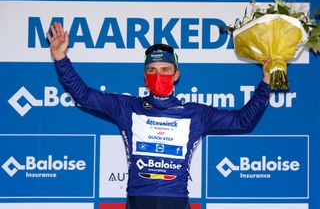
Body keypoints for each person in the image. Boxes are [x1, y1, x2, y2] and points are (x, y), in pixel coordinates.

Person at [47, 22, 271, 209]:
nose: (158, 75)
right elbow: (84, 95)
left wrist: (266, 82)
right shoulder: (127, 107)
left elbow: (244, 120)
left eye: (165, 70)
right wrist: (61, 58)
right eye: (152, 70)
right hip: (138, 200)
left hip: (176, 201)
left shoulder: (195, 114)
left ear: (176, 75)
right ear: (145, 76)